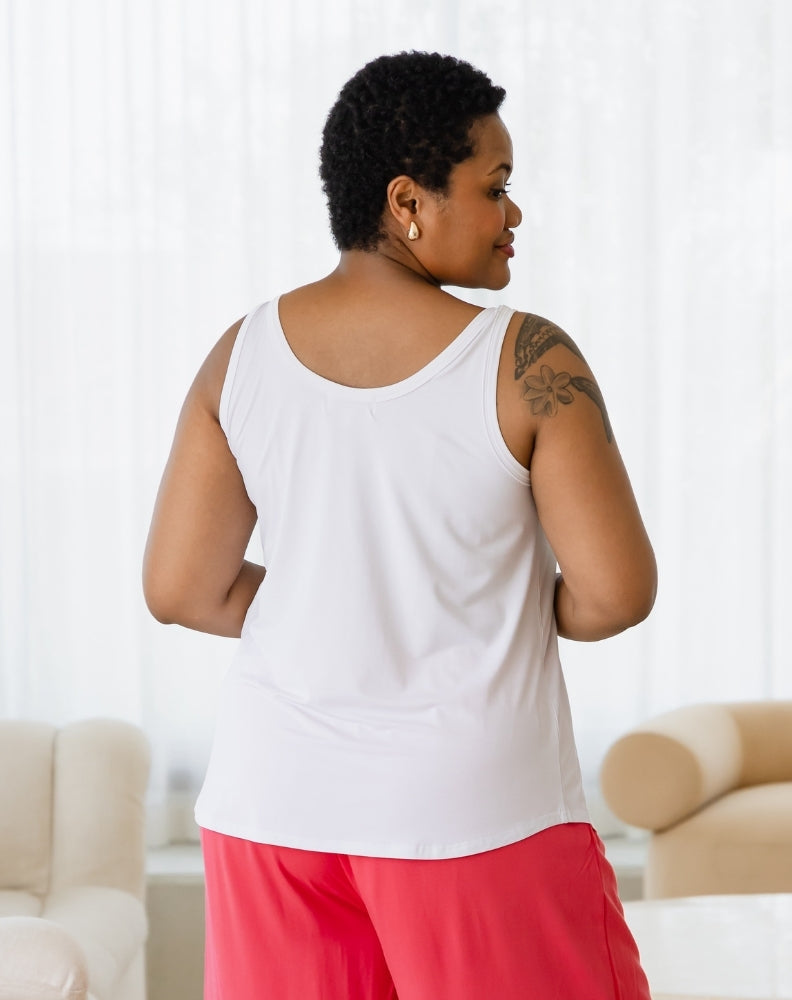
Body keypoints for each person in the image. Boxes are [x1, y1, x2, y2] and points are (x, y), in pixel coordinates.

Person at [143, 51, 657, 1000]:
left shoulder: (241, 353)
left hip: (272, 811)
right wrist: (481, 605)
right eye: (494, 187)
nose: (515, 214)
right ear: (406, 201)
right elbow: (615, 595)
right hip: (471, 816)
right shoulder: (526, 357)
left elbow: (183, 589)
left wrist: (335, 600)